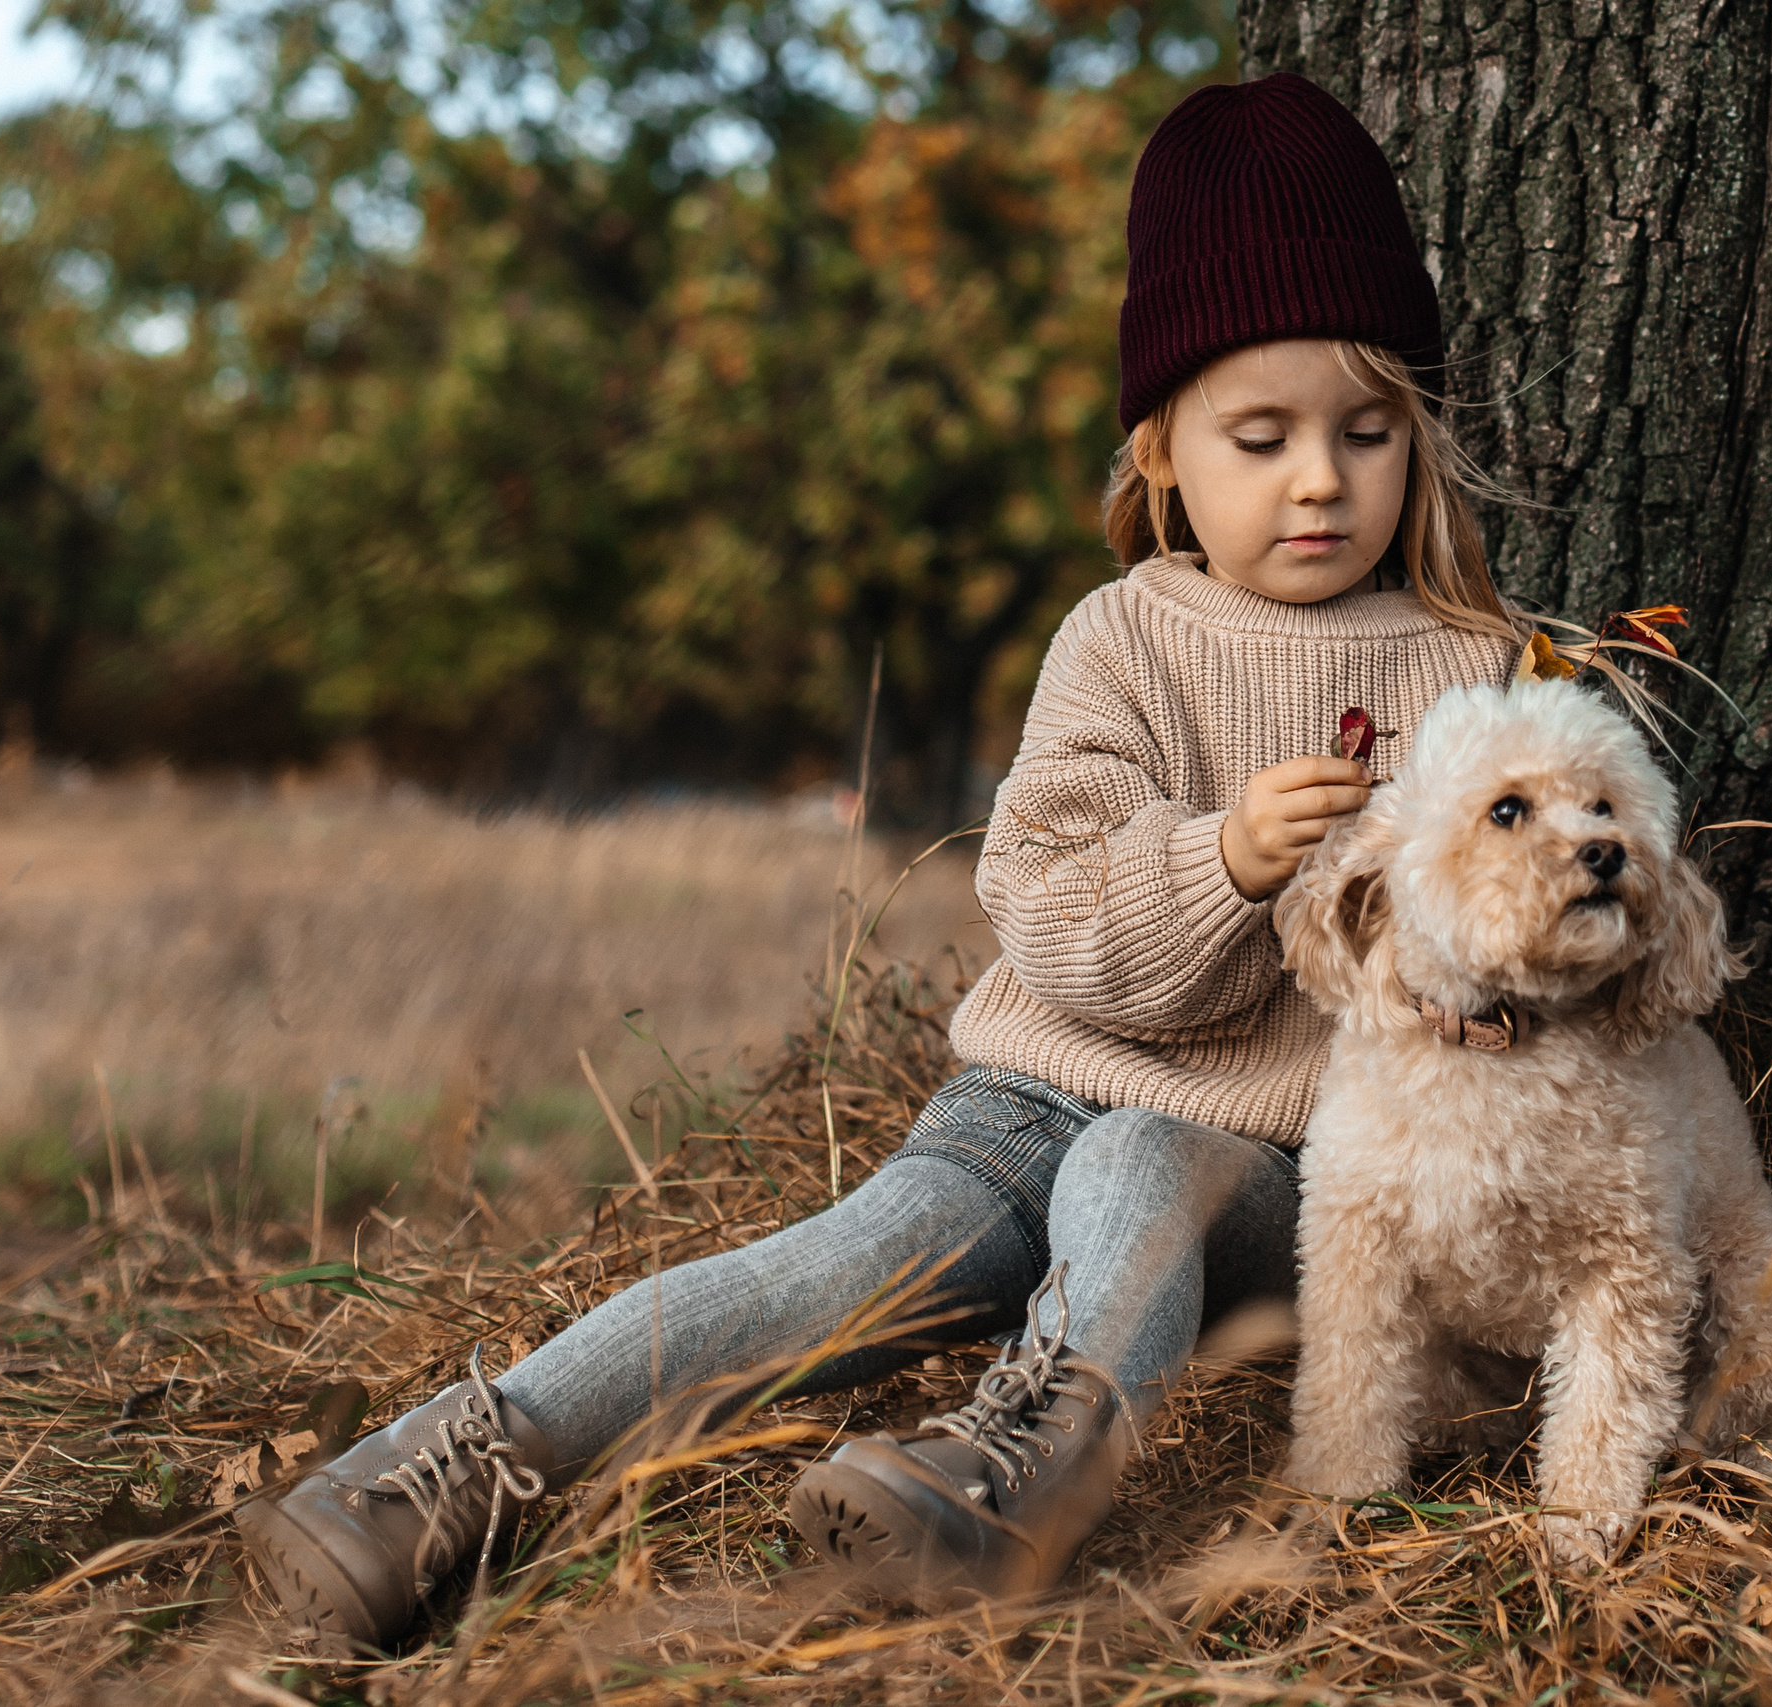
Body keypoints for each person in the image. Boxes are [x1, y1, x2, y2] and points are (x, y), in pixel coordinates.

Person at [235, 71, 1529, 1651]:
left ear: (1416, 436)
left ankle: (1014, 1477)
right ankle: (442, 1473)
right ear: (1163, 450)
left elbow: (1510, 936)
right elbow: (1049, 909)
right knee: (838, 1262)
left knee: (1143, 1158)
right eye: (1261, 436)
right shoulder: (1119, 640)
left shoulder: (1472, 670)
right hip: (1029, 1103)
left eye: (1367, 432)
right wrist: (1225, 862)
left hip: (1277, 1170)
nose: (1319, 477)